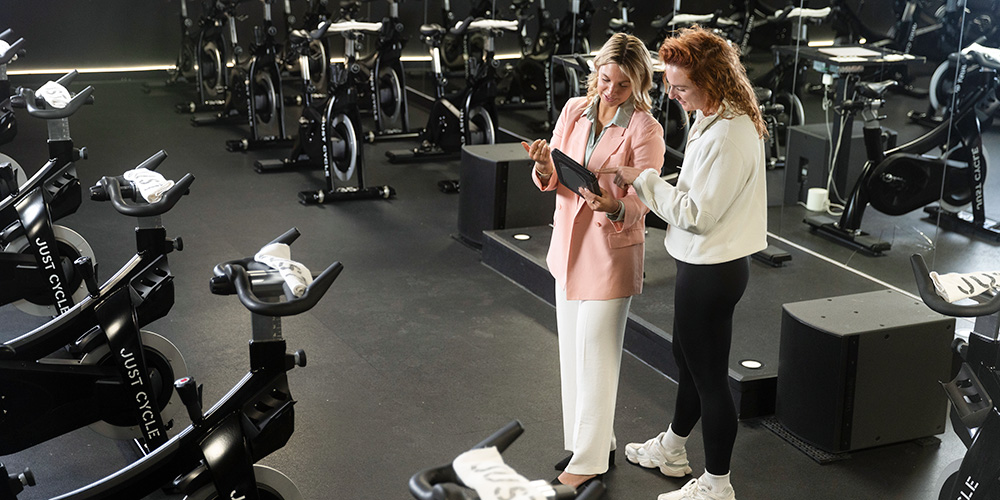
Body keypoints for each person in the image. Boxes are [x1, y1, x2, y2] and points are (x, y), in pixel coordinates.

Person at [597, 25, 768, 500]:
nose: (671, 94)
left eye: (681, 87)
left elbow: (695, 213)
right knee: (688, 360)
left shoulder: (729, 134)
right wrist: (651, 179)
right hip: (705, 265)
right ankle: (673, 447)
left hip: (713, 269)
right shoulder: (713, 115)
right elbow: (696, 187)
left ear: (711, 80)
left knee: (709, 377)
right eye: (669, 83)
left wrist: (645, 180)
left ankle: (717, 484)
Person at [522, 32, 665, 490]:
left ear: (638, 83)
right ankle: (593, 441)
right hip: (567, 248)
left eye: (623, 85)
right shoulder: (572, 112)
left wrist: (617, 206)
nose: (611, 90)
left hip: (610, 252)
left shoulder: (645, 128)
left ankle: (588, 462)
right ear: (596, 72)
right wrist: (544, 166)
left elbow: (647, 197)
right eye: (606, 79)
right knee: (572, 355)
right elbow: (555, 179)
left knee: (597, 355)